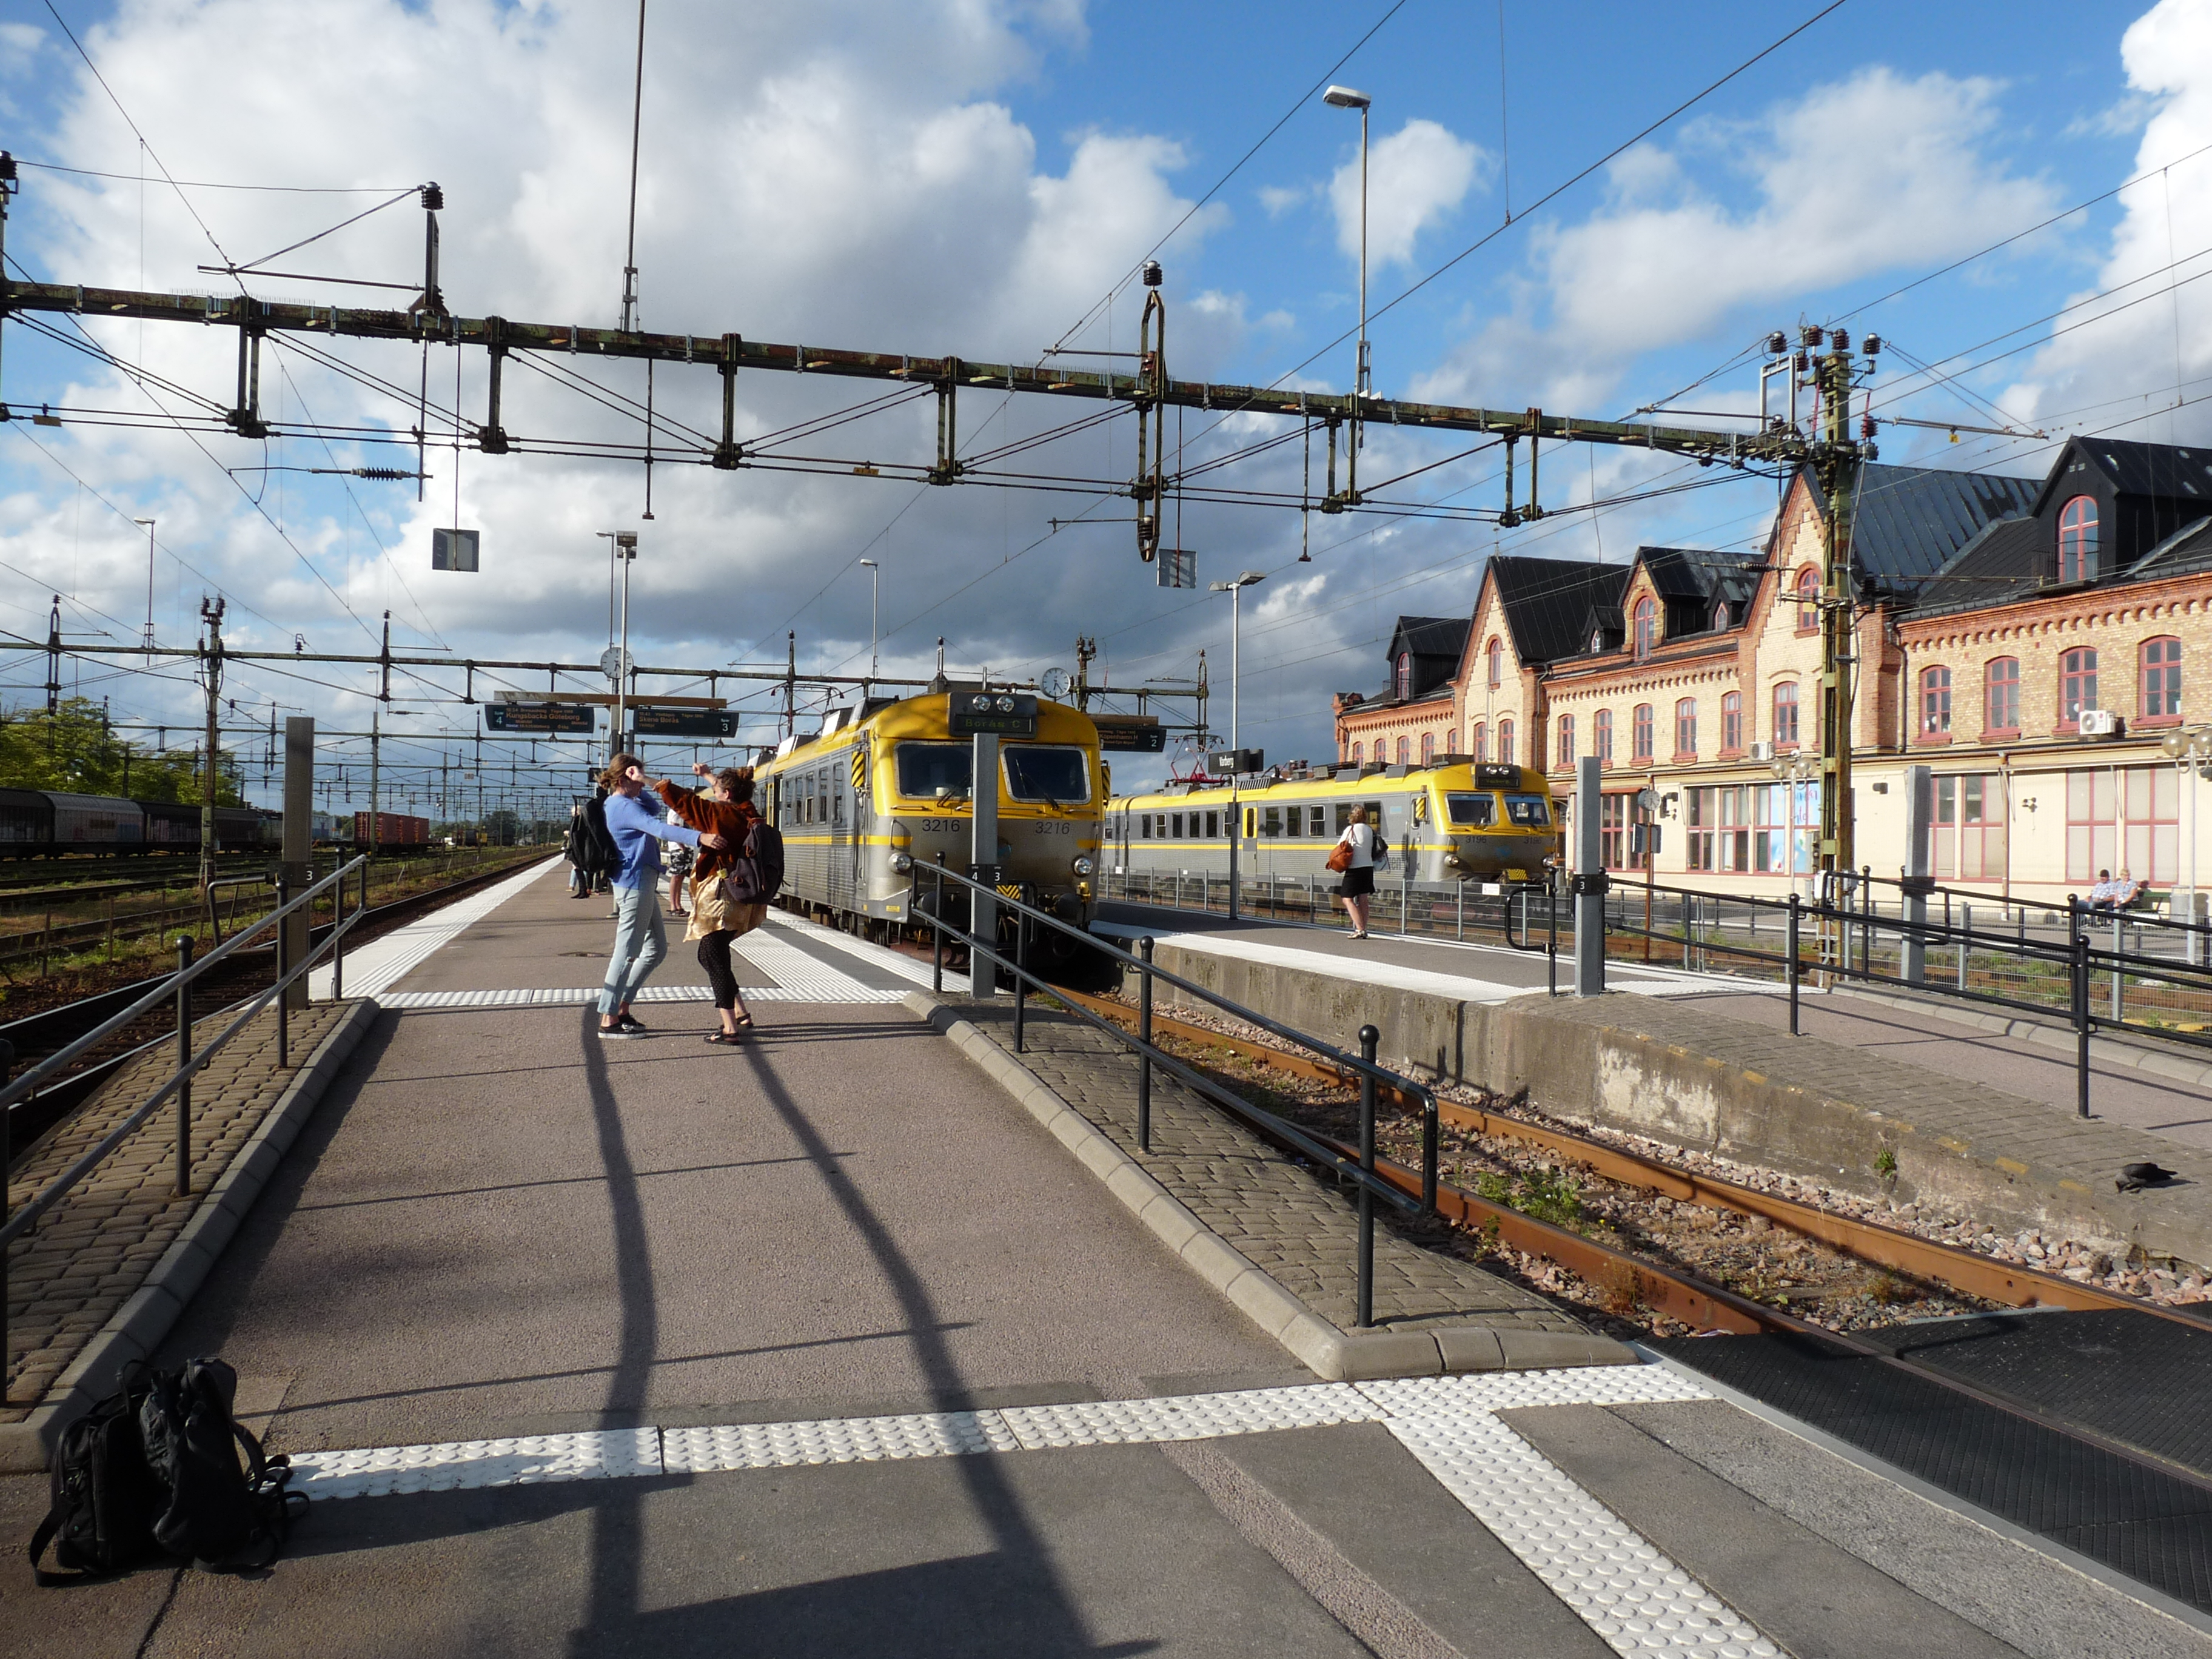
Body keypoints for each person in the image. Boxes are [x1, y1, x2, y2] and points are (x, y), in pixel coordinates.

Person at [595, 753, 728, 1039]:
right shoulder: (621, 806)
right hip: (634, 882)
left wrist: (642, 781)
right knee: (627, 951)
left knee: (656, 949)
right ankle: (608, 1018)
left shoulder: (625, 802)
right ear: (622, 779)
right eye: (636, 778)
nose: (641, 783)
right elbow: (658, 827)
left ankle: (622, 1006)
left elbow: (654, 806)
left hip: (641, 880)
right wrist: (699, 837)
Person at [659, 763, 767, 1043]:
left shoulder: (722, 815)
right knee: (711, 955)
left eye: (716, 789)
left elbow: (688, 804)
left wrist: (653, 781)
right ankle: (741, 1013)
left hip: (724, 898)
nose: (713, 793)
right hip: (741, 897)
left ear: (726, 794)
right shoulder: (747, 812)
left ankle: (730, 1028)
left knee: (713, 955)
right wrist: (708, 775)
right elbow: (725, 791)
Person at [1333, 803, 1382, 939]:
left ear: (1352, 816)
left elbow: (1340, 846)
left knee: (1347, 898)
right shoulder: (1370, 830)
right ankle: (1364, 928)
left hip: (1354, 868)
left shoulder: (1351, 830)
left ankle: (1360, 929)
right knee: (1363, 899)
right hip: (1368, 868)